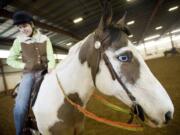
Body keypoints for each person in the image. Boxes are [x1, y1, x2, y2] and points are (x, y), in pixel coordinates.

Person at [6, 10, 56, 135]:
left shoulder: (45, 38)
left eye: (25, 26)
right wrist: (24, 65)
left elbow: (51, 56)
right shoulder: (18, 41)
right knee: (21, 106)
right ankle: (19, 132)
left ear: (31, 24)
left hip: (45, 71)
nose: (23, 29)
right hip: (29, 74)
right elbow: (10, 60)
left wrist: (51, 66)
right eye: (19, 27)